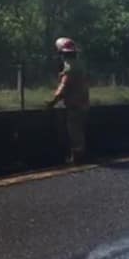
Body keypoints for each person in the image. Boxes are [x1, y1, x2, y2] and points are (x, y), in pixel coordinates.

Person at [46, 37, 90, 165]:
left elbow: (63, 87)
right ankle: (78, 155)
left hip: (75, 105)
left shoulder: (69, 67)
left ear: (62, 53)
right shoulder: (80, 65)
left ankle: (77, 158)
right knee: (79, 130)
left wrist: (52, 101)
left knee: (74, 131)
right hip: (83, 102)